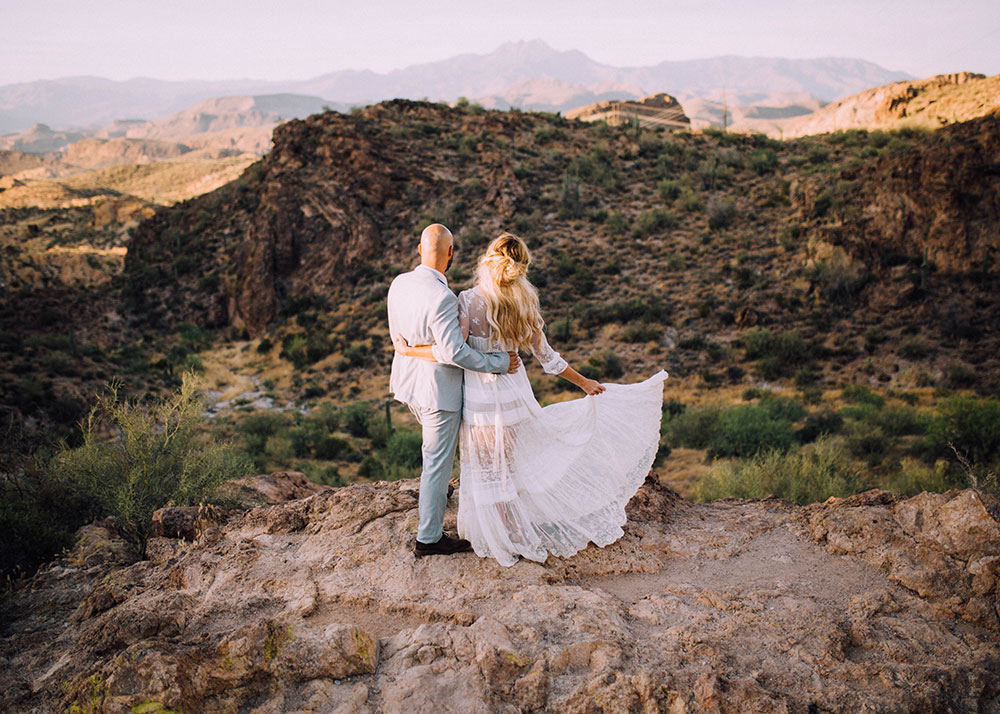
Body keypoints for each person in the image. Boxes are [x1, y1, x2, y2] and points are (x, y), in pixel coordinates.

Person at [393, 231, 668, 566]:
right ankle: (516, 533)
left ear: (488, 260)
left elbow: (452, 352)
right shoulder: (524, 304)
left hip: (481, 400)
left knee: (489, 471)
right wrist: (584, 383)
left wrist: (410, 350)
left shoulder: (468, 300)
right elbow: (548, 358)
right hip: (515, 396)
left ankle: (506, 536)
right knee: (509, 468)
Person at [386, 223, 522, 559]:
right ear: (450, 253)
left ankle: (436, 495)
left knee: (434, 457)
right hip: (438, 392)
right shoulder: (443, 298)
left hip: (407, 382)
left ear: (419, 249)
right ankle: (429, 538)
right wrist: (498, 362)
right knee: (436, 462)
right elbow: (454, 352)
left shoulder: (399, 284)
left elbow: (399, 336)